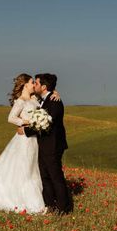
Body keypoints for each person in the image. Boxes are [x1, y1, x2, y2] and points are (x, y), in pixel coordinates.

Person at [0, 73, 59, 214]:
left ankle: (43, 197)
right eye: (31, 82)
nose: (34, 85)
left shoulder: (35, 98)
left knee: (34, 169)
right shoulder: (21, 101)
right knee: (24, 168)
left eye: (35, 83)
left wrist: (55, 92)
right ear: (25, 85)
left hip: (36, 140)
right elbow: (11, 118)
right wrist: (25, 123)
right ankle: (23, 199)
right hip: (25, 140)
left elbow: (46, 94)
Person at [18, 73, 71, 214]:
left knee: (55, 176)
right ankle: (49, 204)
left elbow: (46, 123)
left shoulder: (55, 102)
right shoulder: (42, 99)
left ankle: (63, 208)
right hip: (43, 145)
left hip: (52, 146)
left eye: (36, 83)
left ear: (44, 87)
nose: (34, 85)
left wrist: (26, 131)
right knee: (45, 177)